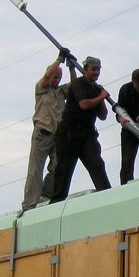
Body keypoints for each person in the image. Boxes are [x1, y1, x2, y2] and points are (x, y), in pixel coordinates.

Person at [49, 55, 111, 203]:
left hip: (87, 133)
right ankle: (57, 202)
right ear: (85, 70)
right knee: (64, 169)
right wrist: (100, 97)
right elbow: (84, 104)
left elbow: (103, 116)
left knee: (97, 164)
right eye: (93, 69)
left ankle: (107, 196)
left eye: (97, 70)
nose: (95, 73)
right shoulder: (78, 84)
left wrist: (101, 96)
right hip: (69, 132)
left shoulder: (96, 89)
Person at [22, 54, 73, 210]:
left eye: (59, 77)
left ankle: (46, 194)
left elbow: (75, 85)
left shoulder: (60, 92)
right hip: (42, 134)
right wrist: (59, 59)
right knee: (35, 171)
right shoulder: (41, 88)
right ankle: (30, 204)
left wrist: (71, 67)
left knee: (58, 168)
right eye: (55, 76)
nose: (56, 79)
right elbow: (47, 75)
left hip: (57, 136)